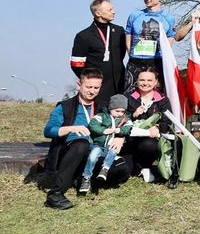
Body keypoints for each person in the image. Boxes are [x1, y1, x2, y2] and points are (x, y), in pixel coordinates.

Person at [43, 68, 110, 209]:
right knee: (81, 144)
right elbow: (48, 130)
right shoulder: (65, 107)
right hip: (72, 151)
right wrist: (70, 128)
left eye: (96, 87)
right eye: (88, 87)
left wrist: (119, 138)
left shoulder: (104, 106)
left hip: (97, 152)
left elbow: (120, 122)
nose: (92, 91)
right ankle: (55, 194)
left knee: (121, 171)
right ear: (79, 85)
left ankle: (83, 179)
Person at [69, 0, 127, 108]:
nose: (114, 12)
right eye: (110, 10)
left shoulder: (119, 31)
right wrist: (91, 81)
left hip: (120, 85)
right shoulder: (84, 36)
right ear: (98, 13)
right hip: (98, 89)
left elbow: (122, 54)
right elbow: (76, 65)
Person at [123, 0, 177, 92]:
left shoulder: (168, 18)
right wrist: (131, 53)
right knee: (131, 94)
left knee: (157, 95)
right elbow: (128, 34)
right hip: (136, 61)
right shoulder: (135, 15)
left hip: (157, 61)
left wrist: (164, 54)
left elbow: (170, 38)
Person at [121, 68, 170, 181]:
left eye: (149, 80)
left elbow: (167, 121)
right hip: (130, 140)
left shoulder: (162, 100)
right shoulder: (127, 97)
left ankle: (146, 166)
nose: (145, 83)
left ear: (155, 82)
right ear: (137, 81)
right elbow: (119, 118)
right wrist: (134, 114)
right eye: (142, 80)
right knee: (125, 173)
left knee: (149, 145)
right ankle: (137, 166)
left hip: (150, 139)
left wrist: (157, 128)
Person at [77, 93, 131, 195]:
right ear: (110, 108)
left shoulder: (125, 119)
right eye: (117, 111)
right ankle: (86, 177)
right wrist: (103, 130)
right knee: (92, 157)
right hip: (99, 145)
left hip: (111, 146)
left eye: (122, 111)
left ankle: (105, 170)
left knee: (113, 151)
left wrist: (120, 130)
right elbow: (92, 125)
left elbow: (128, 128)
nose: (119, 113)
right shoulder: (101, 116)